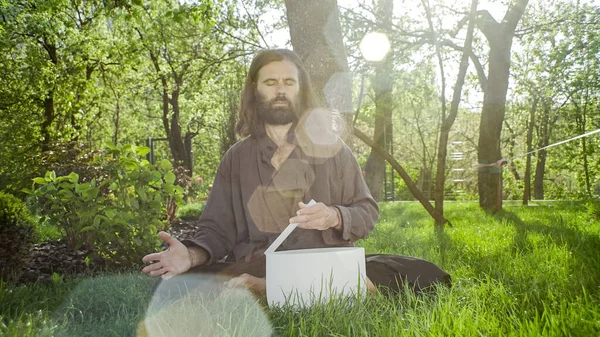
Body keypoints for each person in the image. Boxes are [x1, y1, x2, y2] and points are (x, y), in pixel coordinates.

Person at [141, 49, 379, 291]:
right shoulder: (236, 158)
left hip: (321, 263)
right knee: (178, 284)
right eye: (270, 82)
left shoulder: (333, 149)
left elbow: (366, 211)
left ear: (300, 89)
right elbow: (216, 230)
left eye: (289, 82)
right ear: (255, 89)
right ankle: (303, 288)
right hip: (258, 265)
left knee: (412, 269)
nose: (280, 90)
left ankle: (268, 290)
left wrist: (334, 216)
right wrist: (190, 256)